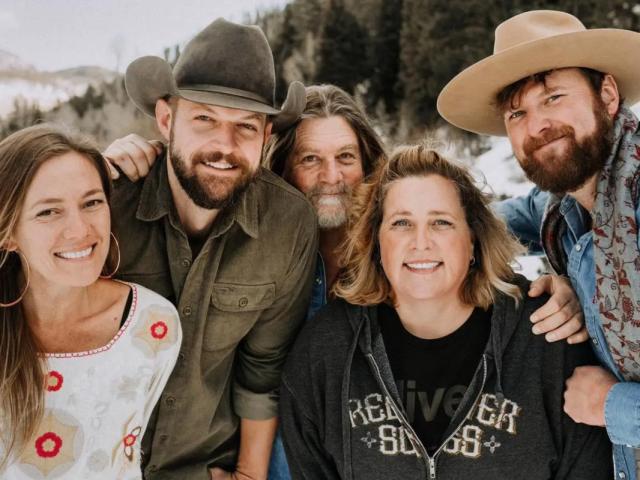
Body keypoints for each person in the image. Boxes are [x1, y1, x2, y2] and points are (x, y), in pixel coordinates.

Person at [108, 83, 590, 478]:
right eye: (309, 160)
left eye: (345, 157)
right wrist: (129, 162)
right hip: (260, 443)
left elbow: (480, 235)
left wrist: (563, 280)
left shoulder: (411, 249)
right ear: (281, 169)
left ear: (370, 167)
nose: (330, 176)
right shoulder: (249, 243)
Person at [279, 144, 612, 479]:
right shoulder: (324, 352)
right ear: (376, 242)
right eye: (401, 223)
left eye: (441, 222)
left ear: (473, 240)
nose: (421, 242)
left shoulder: (547, 334)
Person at [106, 18, 317, 480]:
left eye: (246, 126)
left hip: (202, 468)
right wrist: (84, 179)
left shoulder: (287, 223)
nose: (225, 145)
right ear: (166, 120)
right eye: (204, 119)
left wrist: (250, 474)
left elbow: (262, 373)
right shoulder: (106, 202)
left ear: (266, 136)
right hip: (94, 463)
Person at [437, 9, 640, 479]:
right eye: (517, 113)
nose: (538, 125)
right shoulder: (559, 206)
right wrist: (560, 275)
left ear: (608, 95)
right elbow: (475, 224)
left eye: (554, 97)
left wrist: (613, 405)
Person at [0, 124, 181, 479]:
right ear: (8, 234)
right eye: (48, 211)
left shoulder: (152, 325)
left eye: (92, 202)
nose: (80, 230)